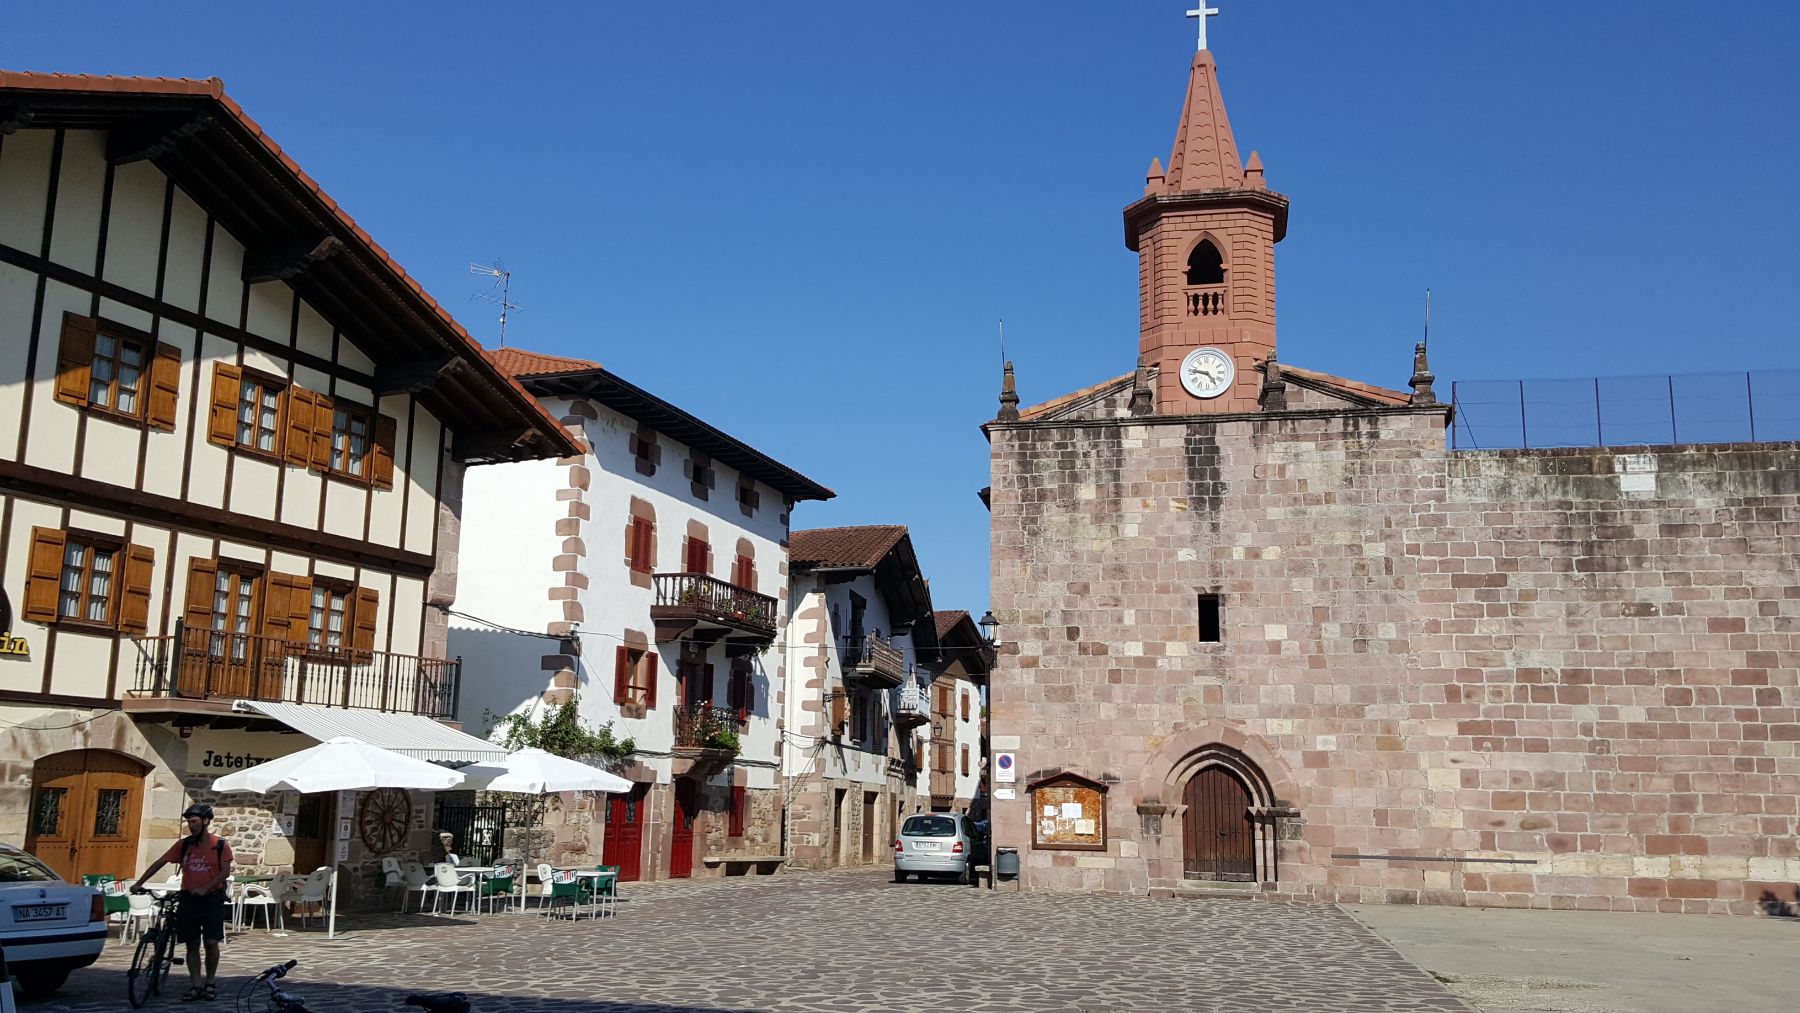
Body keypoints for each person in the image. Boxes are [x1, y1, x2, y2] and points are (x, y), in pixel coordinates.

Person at [131, 803, 233, 1002]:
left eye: (194, 822)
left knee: (211, 942)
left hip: (212, 899)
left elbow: (225, 872)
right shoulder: (184, 845)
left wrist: (206, 887)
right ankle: (195, 984)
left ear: (205, 822)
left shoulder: (219, 844)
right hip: (188, 899)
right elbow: (160, 861)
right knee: (191, 943)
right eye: (188, 822)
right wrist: (140, 882)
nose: (191, 825)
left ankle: (210, 981)